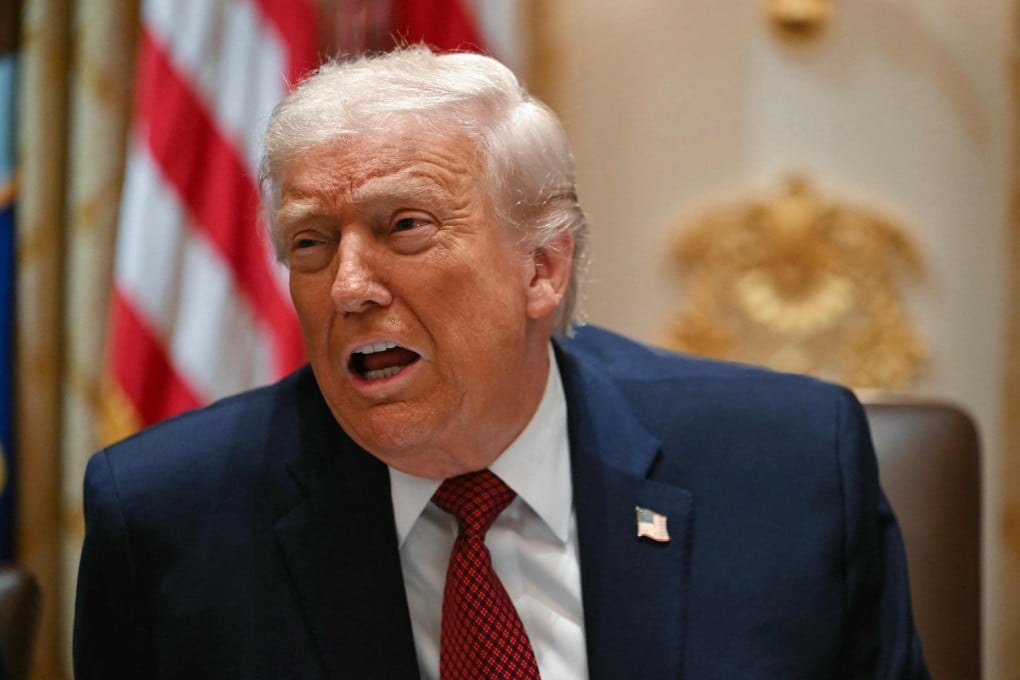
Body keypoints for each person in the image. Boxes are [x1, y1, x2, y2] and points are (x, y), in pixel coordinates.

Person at [74, 46, 929, 679]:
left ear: (542, 267)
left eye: (404, 226)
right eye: (311, 243)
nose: (349, 287)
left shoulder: (790, 467)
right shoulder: (168, 521)